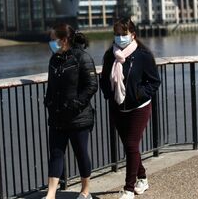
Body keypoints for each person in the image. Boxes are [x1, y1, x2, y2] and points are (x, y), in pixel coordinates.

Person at [99, 18, 161, 199]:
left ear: (132, 34)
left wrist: (139, 94)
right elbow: (104, 80)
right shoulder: (110, 55)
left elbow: (154, 81)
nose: (119, 38)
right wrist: (109, 96)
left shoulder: (143, 55)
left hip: (139, 107)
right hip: (117, 107)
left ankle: (128, 188)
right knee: (130, 147)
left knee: (132, 145)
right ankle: (142, 178)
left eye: (123, 34)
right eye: (116, 34)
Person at [43, 23, 98, 199]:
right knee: (56, 154)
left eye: (53, 39)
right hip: (57, 116)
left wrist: (75, 104)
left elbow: (91, 86)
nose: (51, 43)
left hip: (78, 117)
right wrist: (49, 101)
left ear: (64, 40)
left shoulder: (82, 58)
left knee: (81, 153)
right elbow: (52, 86)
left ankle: (85, 191)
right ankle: (50, 194)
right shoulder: (54, 59)